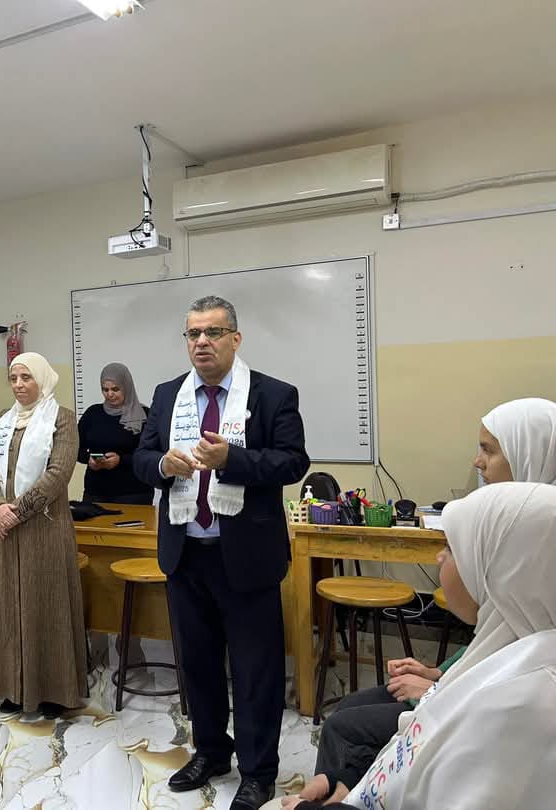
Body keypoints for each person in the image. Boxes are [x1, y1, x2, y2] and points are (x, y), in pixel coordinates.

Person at [291, 396, 556, 805]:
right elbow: (491, 641)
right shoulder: (524, 557)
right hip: (456, 693)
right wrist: (439, 674)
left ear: (528, 453)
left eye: (488, 449)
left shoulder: (534, 540)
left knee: (345, 727)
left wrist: (437, 688)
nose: (477, 462)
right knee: (349, 715)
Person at [133, 295, 309, 810]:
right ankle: (211, 752)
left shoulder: (274, 394)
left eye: (212, 332)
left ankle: (258, 771)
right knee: (199, 664)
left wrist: (233, 459)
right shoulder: (167, 395)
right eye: (193, 333)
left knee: (255, 672)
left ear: (236, 338)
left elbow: (292, 462)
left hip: (247, 557)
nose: (202, 342)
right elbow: (142, 457)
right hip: (185, 552)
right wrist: (162, 466)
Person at [0, 352, 87, 720]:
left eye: (26, 377)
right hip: (4, 531)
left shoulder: (62, 419)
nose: (19, 385)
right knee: (7, 606)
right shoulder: (3, 419)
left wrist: (16, 512)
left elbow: (58, 474)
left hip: (44, 528)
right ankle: (12, 685)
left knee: (47, 605)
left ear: (42, 379)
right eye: (14, 378)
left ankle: (54, 690)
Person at [77, 362, 154, 505]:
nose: (110, 394)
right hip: (96, 493)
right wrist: (89, 459)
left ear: (126, 387)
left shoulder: (144, 416)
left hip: (134, 493)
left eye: (115, 389)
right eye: (105, 389)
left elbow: (150, 454)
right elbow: (75, 448)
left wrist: (121, 460)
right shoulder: (93, 413)